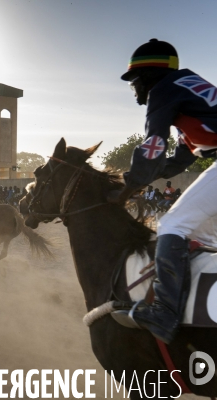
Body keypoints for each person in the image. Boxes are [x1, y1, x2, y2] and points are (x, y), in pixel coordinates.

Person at [109, 39, 217, 344]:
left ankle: (165, 313)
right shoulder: (187, 90)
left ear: (148, 76)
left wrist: (126, 189)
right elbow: (173, 164)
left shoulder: (163, 89)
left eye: (134, 82)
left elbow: (153, 145)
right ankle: (199, 310)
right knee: (202, 233)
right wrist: (136, 178)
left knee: (172, 223)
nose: (134, 90)